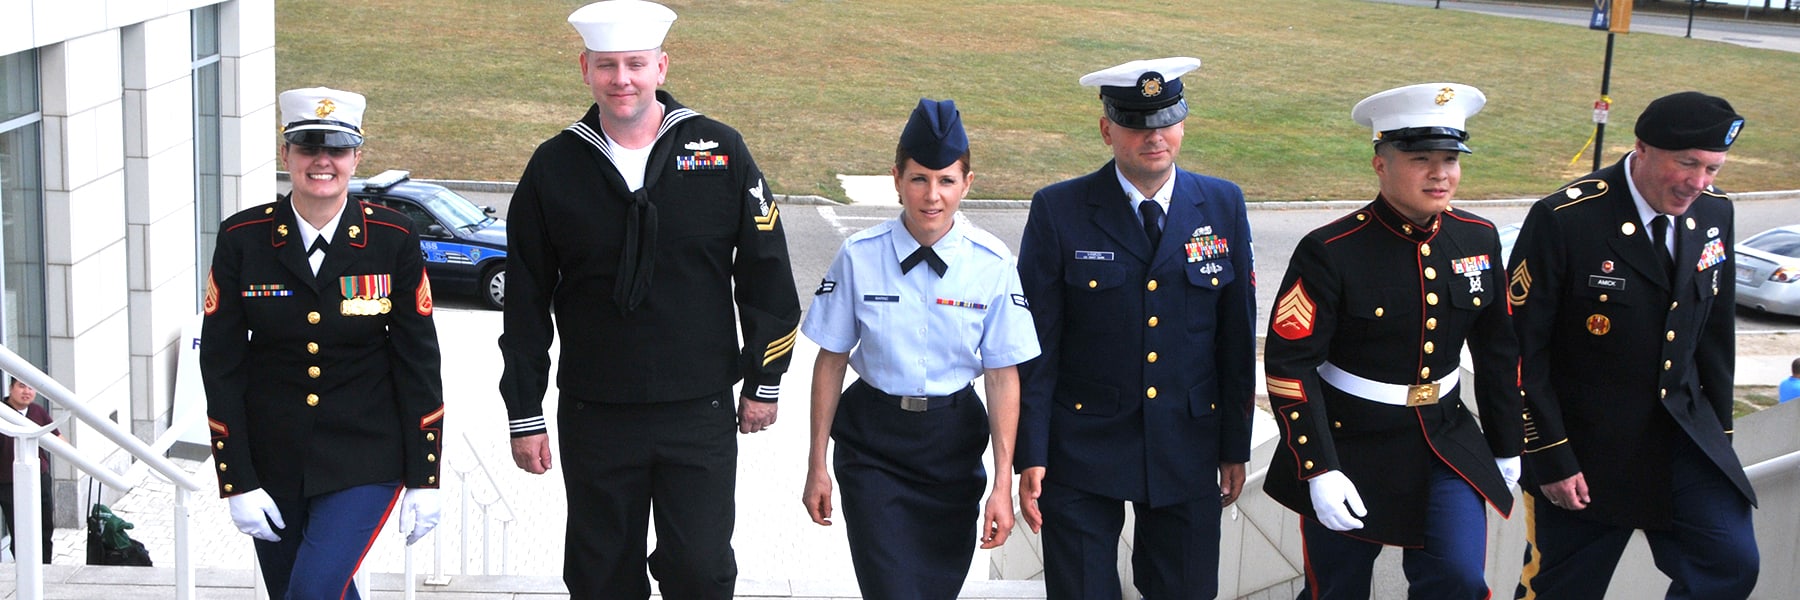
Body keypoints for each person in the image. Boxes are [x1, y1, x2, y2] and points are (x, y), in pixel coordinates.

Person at [496, 1, 801, 597]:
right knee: (600, 573)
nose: (622, 80)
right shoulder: (554, 166)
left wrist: (764, 381)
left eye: (635, 64)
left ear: (662, 66)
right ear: (585, 69)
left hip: (699, 408)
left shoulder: (721, 150)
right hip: (595, 411)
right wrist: (524, 412)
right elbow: (525, 302)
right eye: (607, 66)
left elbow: (767, 274)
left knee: (701, 568)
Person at [1261, 83, 1521, 599]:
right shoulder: (1331, 250)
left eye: (1450, 158)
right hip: (1351, 443)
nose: (1440, 173)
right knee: (1336, 589)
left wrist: (1508, 444)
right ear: (1381, 164)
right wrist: (1319, 468)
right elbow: (1290, 364)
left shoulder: (1477, 237)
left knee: (1460, 580)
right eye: (1421, 158)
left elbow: (1498, 349)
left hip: (1445, 440)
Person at [1015, 56, 1256, 599]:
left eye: (1167, 119)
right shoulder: (1059, 209)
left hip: (1186, 444)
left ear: (1183, 123)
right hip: (1081, 447)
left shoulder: (1222, 204)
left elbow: (1236, 338)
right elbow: (1037, 346)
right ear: (1106, 130)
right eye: (1136, 123)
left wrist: (1234, 445)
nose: (1154, 136)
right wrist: (1031, 452)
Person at [1508, 91, 1758, 599]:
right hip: (1585, 453)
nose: (1699, 182)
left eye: (1712, 168)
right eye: (1687, 163)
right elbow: (1518, 351)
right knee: (1561, 590)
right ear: (1641, 149)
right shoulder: (1566, 218)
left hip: (1683, 440)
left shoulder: (1714, 213)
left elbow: (1714, 337)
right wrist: (1550, 454)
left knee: (1730, 564)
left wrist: (1720, 435)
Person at [201, 87, 443, 599]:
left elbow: (418, 360)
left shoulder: (392, 238)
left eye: (336, 149)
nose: (322, 162)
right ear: (286, 154)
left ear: (357, 156)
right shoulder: (242, 238)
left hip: (366, 455)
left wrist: (425, 475)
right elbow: (221, 363)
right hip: (272, 457)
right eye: (308, 147)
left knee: (310, 593)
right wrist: (236, 479)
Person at [799, 99, 1040, 599]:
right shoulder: (859, 256)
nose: (932, 195)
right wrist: (816, 464)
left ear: (967, 184)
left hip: (951, 447)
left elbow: (1001, 376)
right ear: (896, 179)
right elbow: (831, 361)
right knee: (890, 589)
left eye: (947, 180)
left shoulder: (992, 264)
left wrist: (1001, 484)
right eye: (919, 179)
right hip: (873, 446)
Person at [0, 375, 58, 563]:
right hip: (8, 483)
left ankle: (46, 569)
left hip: (39, 477)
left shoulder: (37, 411)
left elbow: (58, 439)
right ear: (11, 388)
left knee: (45, 527)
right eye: (22, 386)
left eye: (31, 388)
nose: (27, 392)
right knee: (20, 530)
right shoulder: (2, 412)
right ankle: (25, 571)